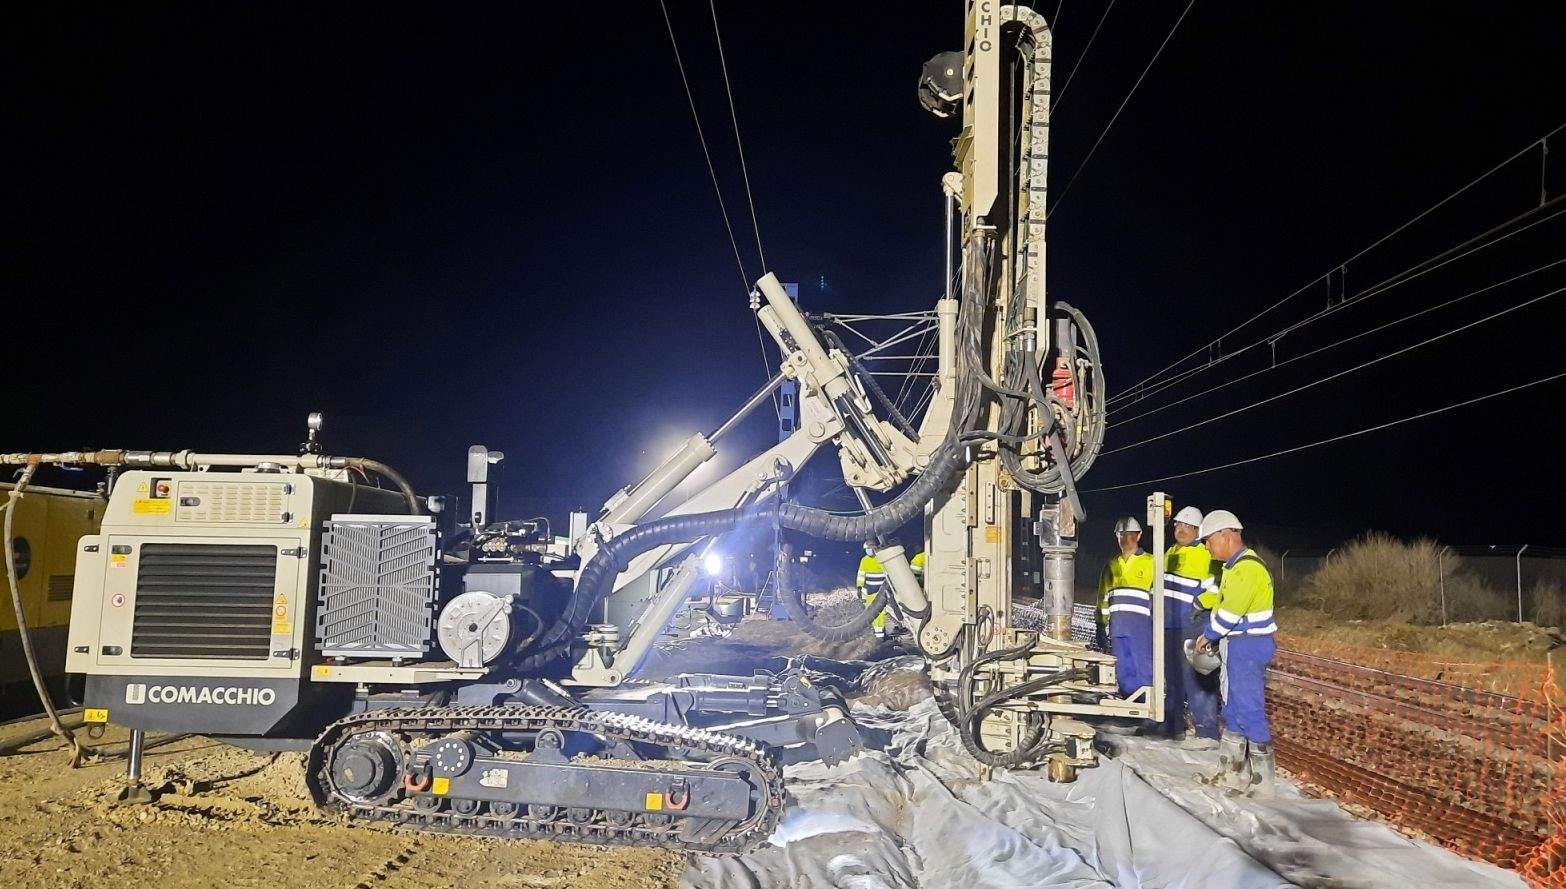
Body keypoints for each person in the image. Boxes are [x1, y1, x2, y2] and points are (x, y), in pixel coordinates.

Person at [1194, 510, 1279, 798]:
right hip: (1239, 643)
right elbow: (1223, 601)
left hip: (1249, 644)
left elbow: (1229, 613)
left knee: (1249, 709)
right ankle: (1232, 773)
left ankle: (1262, 783)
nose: (1207, 547)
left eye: (1208, 541)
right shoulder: (1234, 568)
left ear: (1225, 535)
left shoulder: (1247, 569)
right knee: (1232, 709)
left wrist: (1208, 635)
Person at [1161, 506, 1220, 744]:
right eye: (1178, 525)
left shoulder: (1206, 555)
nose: (1181, 529)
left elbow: (1218, 589)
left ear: (1198, 530)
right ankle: (1172, 726)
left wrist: (1200, 603)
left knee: (1196, 678)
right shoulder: (1169, 553)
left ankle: (1207, 732)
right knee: (1172, 677)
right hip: (1169, 624)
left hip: (1193, 624)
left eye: (1187, 526)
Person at [1097, 516, 1155, 699]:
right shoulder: (1111, 565)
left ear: (1139, 536)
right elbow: (1103, 599)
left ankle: (1148, 708)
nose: (1124, 539)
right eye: (1121, 535)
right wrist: (1100, 625)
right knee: (1123, 669)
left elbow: (1158, 597)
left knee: (1144, 667)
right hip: (1118, 627)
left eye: (1129, 535)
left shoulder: (1151, 562)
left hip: (1142, 628)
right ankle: (1130, 706)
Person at [857, 540, 888, 638]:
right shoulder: (864, 560)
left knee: (880, 613)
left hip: (881, 590)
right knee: (872, 611)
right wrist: (859, 587)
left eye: (869, 548)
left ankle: (879, 634)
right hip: (870, 590)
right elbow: (861, 575)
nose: (868, 551)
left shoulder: (881, 558)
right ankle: (878, 632)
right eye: (867, 549)